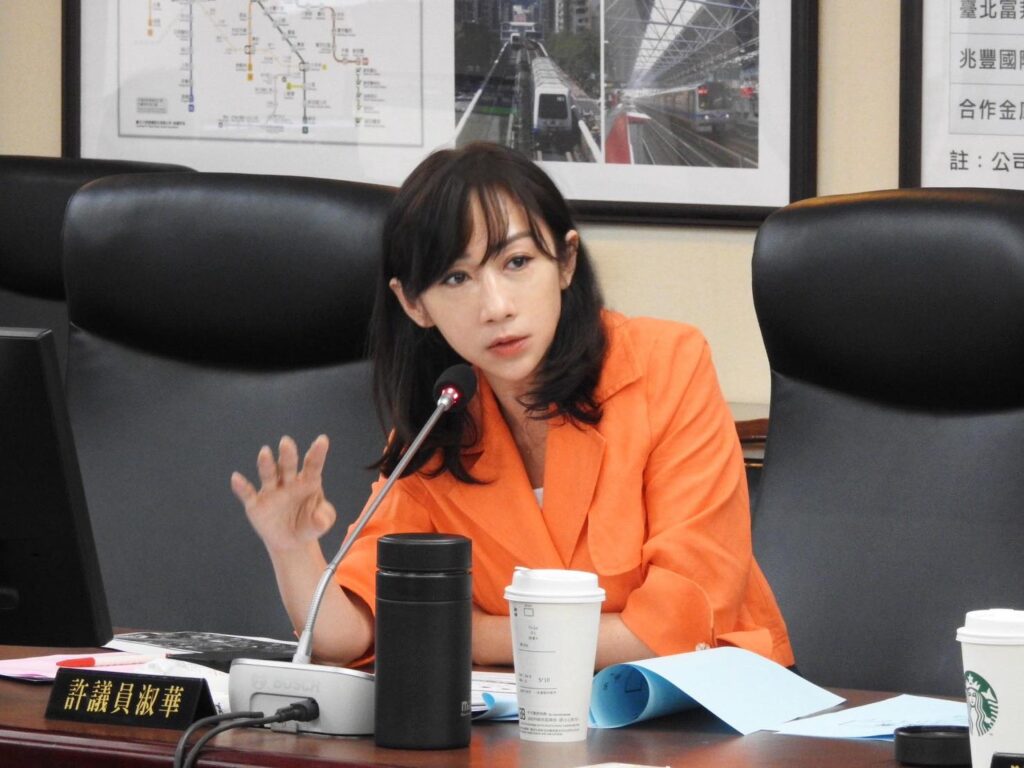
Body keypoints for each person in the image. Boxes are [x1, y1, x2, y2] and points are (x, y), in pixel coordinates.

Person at [231, 142, 794, 670]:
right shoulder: (441, 421)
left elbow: (676, 631)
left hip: (697, 717)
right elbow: (356, 634)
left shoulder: (667, 365)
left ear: (566, 261)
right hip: (513, 721)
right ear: (414, 304)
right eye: (456, 277)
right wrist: (294, 550)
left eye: (517, 262)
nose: (496, 306)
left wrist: (463, 632)